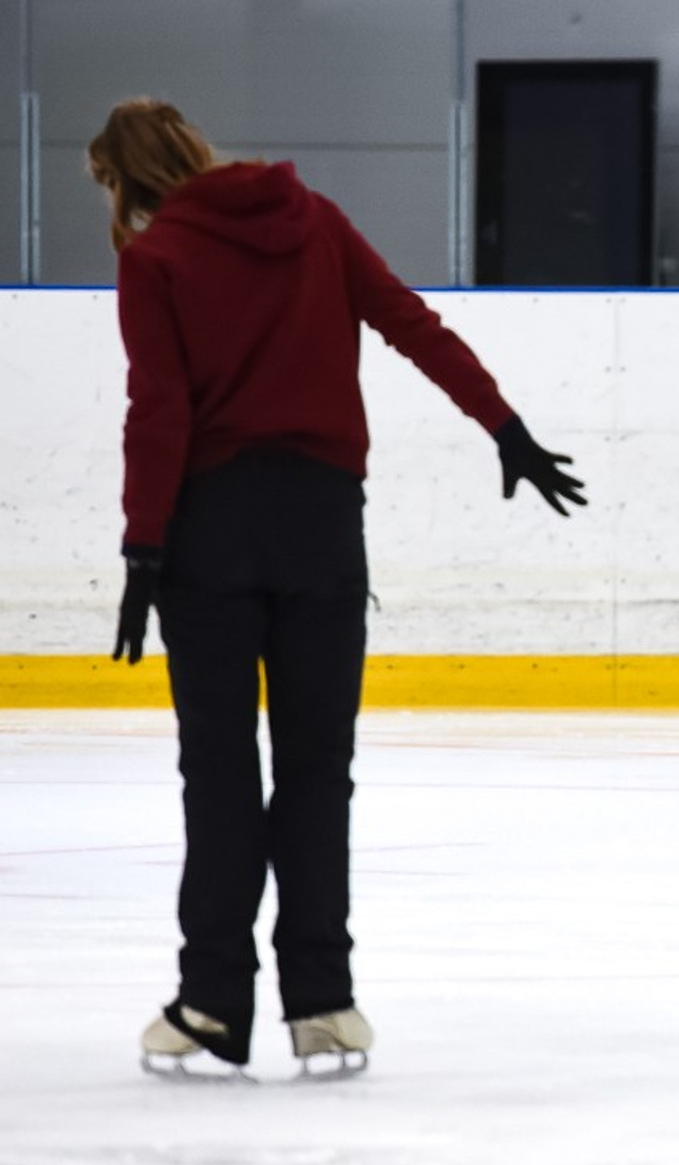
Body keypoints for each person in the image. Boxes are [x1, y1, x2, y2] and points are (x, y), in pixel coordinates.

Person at [89, 98, 586, 1075]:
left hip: (211, 534)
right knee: (318, 771)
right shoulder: (309, 217)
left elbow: (158, 411)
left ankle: (212, 1002)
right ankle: (323, 1003)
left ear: (126, 179)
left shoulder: (155, 261)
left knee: (221, 775)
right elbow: (411, 323)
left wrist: (143, 552)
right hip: (322, 526)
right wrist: (505, 427)